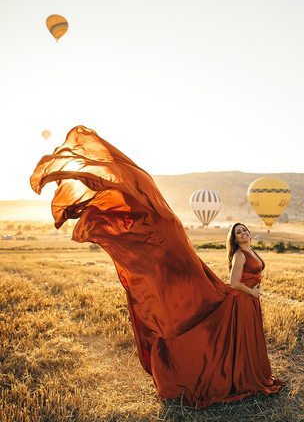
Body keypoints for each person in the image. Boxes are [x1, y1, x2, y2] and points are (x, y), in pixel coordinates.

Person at [30, 126, 284, 408]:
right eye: (238, 233)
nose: (243, 234)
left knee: (243, 342)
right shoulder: (180, 229)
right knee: (222, 335)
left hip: (245, 298)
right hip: (241, 296)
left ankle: (246, 376)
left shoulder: (244, 248)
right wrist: (249, 292)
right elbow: (234, 280)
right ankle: (216, 375)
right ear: (234, 239)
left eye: (245, 231)